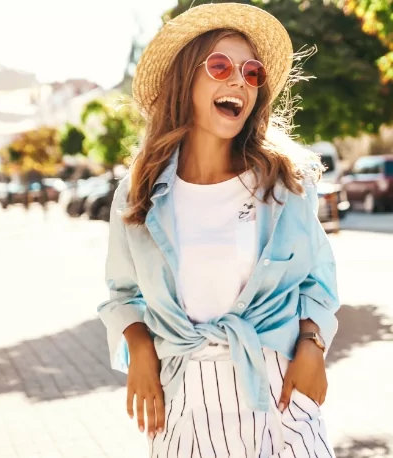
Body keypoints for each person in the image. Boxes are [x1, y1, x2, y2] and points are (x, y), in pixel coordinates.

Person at [98, 3, 339, 457]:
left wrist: (312, 343)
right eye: (220, 66)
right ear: (185, 80)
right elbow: (122, 293)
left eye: (251, 73)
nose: (238, 82)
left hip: (279, 391)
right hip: (182, 398)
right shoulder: (138, 195)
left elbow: (319, 281)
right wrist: (139, 348)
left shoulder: (284, 184)